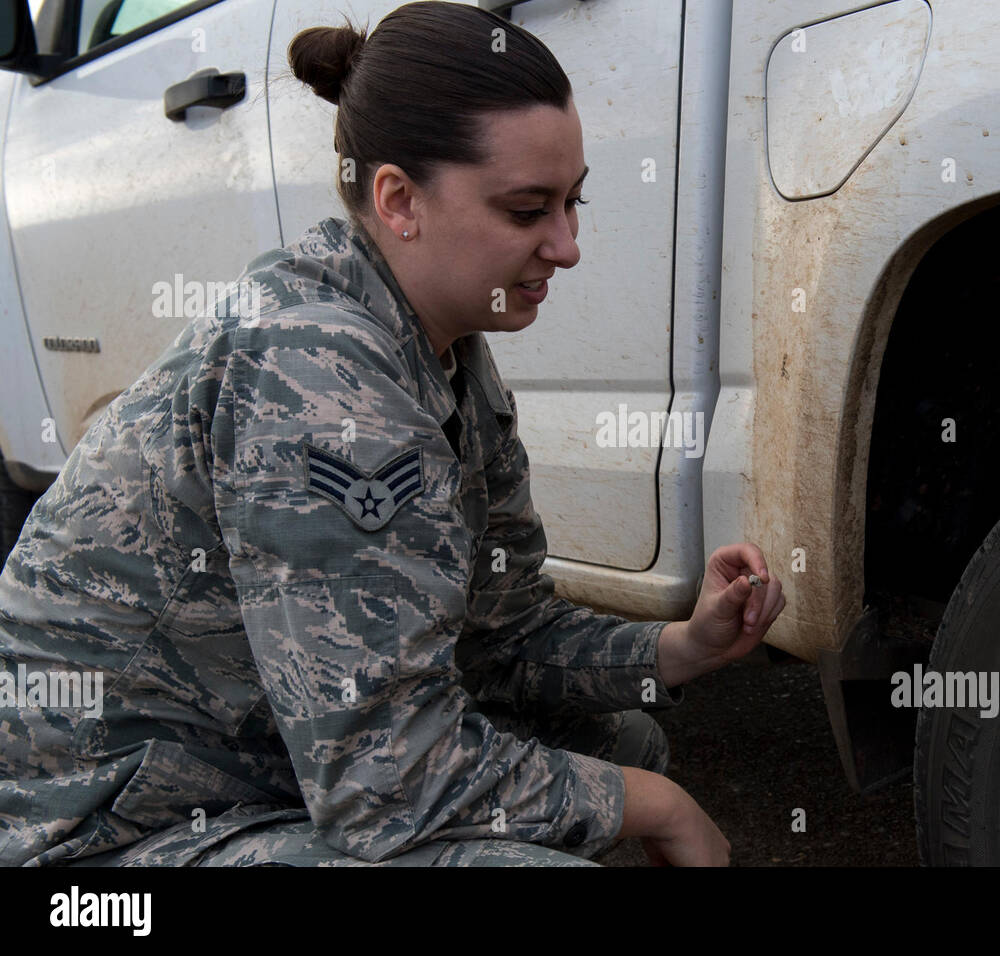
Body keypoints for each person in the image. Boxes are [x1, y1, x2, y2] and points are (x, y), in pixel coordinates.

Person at [0, 1, 785, 867]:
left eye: (574, 201)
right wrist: (663, 808)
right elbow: (389, 785)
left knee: (616, 741)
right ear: (399, 199)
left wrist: (681, 647)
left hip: (265, 758)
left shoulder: (441, 347)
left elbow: (503, 639)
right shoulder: (320, 376)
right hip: (104, 828)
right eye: (528, 211)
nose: (567, 247)